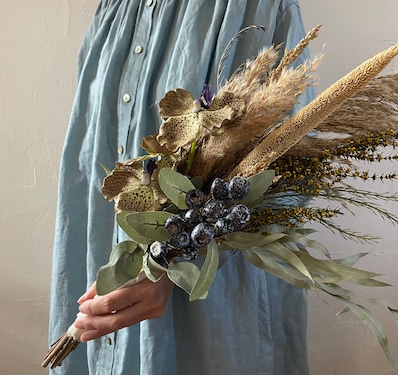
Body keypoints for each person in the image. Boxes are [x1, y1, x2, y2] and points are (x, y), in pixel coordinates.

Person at [49, 1, 314, 374]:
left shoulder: (258, 10)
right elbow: (86, 168)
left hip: (208, 316)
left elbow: (291, 176)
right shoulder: (113, 12)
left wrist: (174, 261)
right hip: (97, 278)